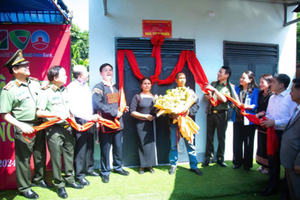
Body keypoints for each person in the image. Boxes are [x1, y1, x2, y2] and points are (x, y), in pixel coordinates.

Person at [0, 50, 52, 199]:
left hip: (39, 125)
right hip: (24, 127)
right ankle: (24, 188)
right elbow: (5, 114)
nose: (27, 66)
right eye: (23, 65)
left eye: (27, 64)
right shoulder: (9, 90)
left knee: (40, 154)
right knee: (23, 159)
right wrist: (21, 125)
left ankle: (39, 179)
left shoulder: (35, 83)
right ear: (15, 70)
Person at [36, 66, 83, 199]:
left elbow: (69, 111)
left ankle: (70, 180)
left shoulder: (66, 91)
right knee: (56, 158)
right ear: (55, 78)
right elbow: (39, 112)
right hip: (53, 129)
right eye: (63, 75)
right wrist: (56, 114)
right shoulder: (45, 92)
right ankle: (59, 185)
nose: (67, 76)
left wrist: (74, 123)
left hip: (67, 127)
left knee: (69, 154)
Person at [260, 74, 297, 196]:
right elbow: (270, 114)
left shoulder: (290, 97)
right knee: (272, 161)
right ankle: (272, 188)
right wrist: (266, 120)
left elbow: (292, 119)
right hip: (272, 133)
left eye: (274, 82)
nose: (271, 84)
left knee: (286, 163)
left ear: (281, 85)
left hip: (285, 134)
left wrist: (275, 122)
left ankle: (286, 192)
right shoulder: (272, 98)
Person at [92, 63, 129, 184]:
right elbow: (97, 105)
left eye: (110, 70)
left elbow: (120, 102)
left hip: (118, 122)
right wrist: (113, 112)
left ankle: (118, 167)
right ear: (101, 73)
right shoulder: (98, 87)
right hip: (106, 123)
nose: (108, 72)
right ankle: (105, 171)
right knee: (105, 149)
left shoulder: (118, 86)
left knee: (118, 147)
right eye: (105, 70)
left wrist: (123, 108)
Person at [67, 65, 100, 186]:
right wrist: (88, 117)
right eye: (86, 72)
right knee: (81, 147)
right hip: (80, 120)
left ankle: (89, 168)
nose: (88, 74)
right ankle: (80, 175)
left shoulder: (85, 85)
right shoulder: (71, 88)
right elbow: (73, 109)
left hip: (89, 119)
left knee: (90, 145)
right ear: (80, 76)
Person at [168, 72, 202, 175]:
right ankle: (173, 165)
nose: (182, 80)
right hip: (175, 122)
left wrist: (189, 111)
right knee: (173, 145)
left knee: (190, 144)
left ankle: (194, 166)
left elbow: (196, 105)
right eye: (180, 78)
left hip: (186, 121)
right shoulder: (171, 93)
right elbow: (166, 106)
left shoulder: (191, 92)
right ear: (176, 80)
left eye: (184, 78)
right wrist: (171, 114)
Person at [202, 66, 236, 167]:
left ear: (227, 75)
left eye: (220, 72)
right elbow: (205, 97)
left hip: (222, 114)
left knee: (221, 137)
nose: (218, 73)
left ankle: (220, 158)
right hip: (211, 113)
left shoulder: (230, 87)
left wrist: (214, 90)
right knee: (209, 136)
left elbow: (224, 99)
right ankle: (208, 158)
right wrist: (207, 96)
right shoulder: (213, 84)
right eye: (218, 72)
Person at [232, 71, 259, 171]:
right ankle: (237, 162)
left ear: (250, 80)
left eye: (244, 78)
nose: (241, 79)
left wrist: (246, 106)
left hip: (248, 120)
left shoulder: (255, 91)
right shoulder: (236, 89)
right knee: (237, 141)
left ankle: (247, 164)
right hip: (238, 119)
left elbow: (255, 105)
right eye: (241, 77)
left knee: (248, 142)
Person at [130, 77, 157, 174]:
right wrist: (145, 116)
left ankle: (150, 165)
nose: (147, 85)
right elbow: (132, 112)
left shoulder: (154, 97)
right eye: (144, 83)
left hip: (151, 124)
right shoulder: (137, 97)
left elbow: (156, 111)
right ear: (141, 85)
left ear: (151, 85)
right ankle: (142, 166)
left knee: (150, 145)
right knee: (142, 144)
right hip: (141, 124)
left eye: (148, 83)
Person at [280, 78, 300, 200]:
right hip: (290, 159)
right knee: (292, 190)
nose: (290, 93)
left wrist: (299, 162)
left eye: (292, 90)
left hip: (296, 162)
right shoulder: (296, 109)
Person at [255, 74, 273, 175]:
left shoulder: (272, 96)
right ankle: (262, 164)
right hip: (260, 123)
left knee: (267, 145)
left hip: (267, 123)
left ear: (270, 83)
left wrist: (262, 114)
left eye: (263, 82)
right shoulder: (261, 94)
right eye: (260, 82)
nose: (260, 84)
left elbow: (269, 110)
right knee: (261, 144)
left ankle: (269, 166)